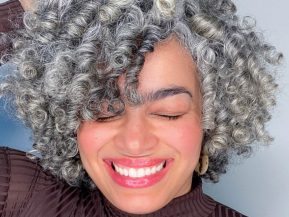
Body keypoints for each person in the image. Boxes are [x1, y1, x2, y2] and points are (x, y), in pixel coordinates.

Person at [0, 0, 282, 216]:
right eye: (104, 111)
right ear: (69, 117)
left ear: (211, 119)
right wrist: (47, 22)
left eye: (168, 112)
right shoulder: (24, 194)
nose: (134, 142)